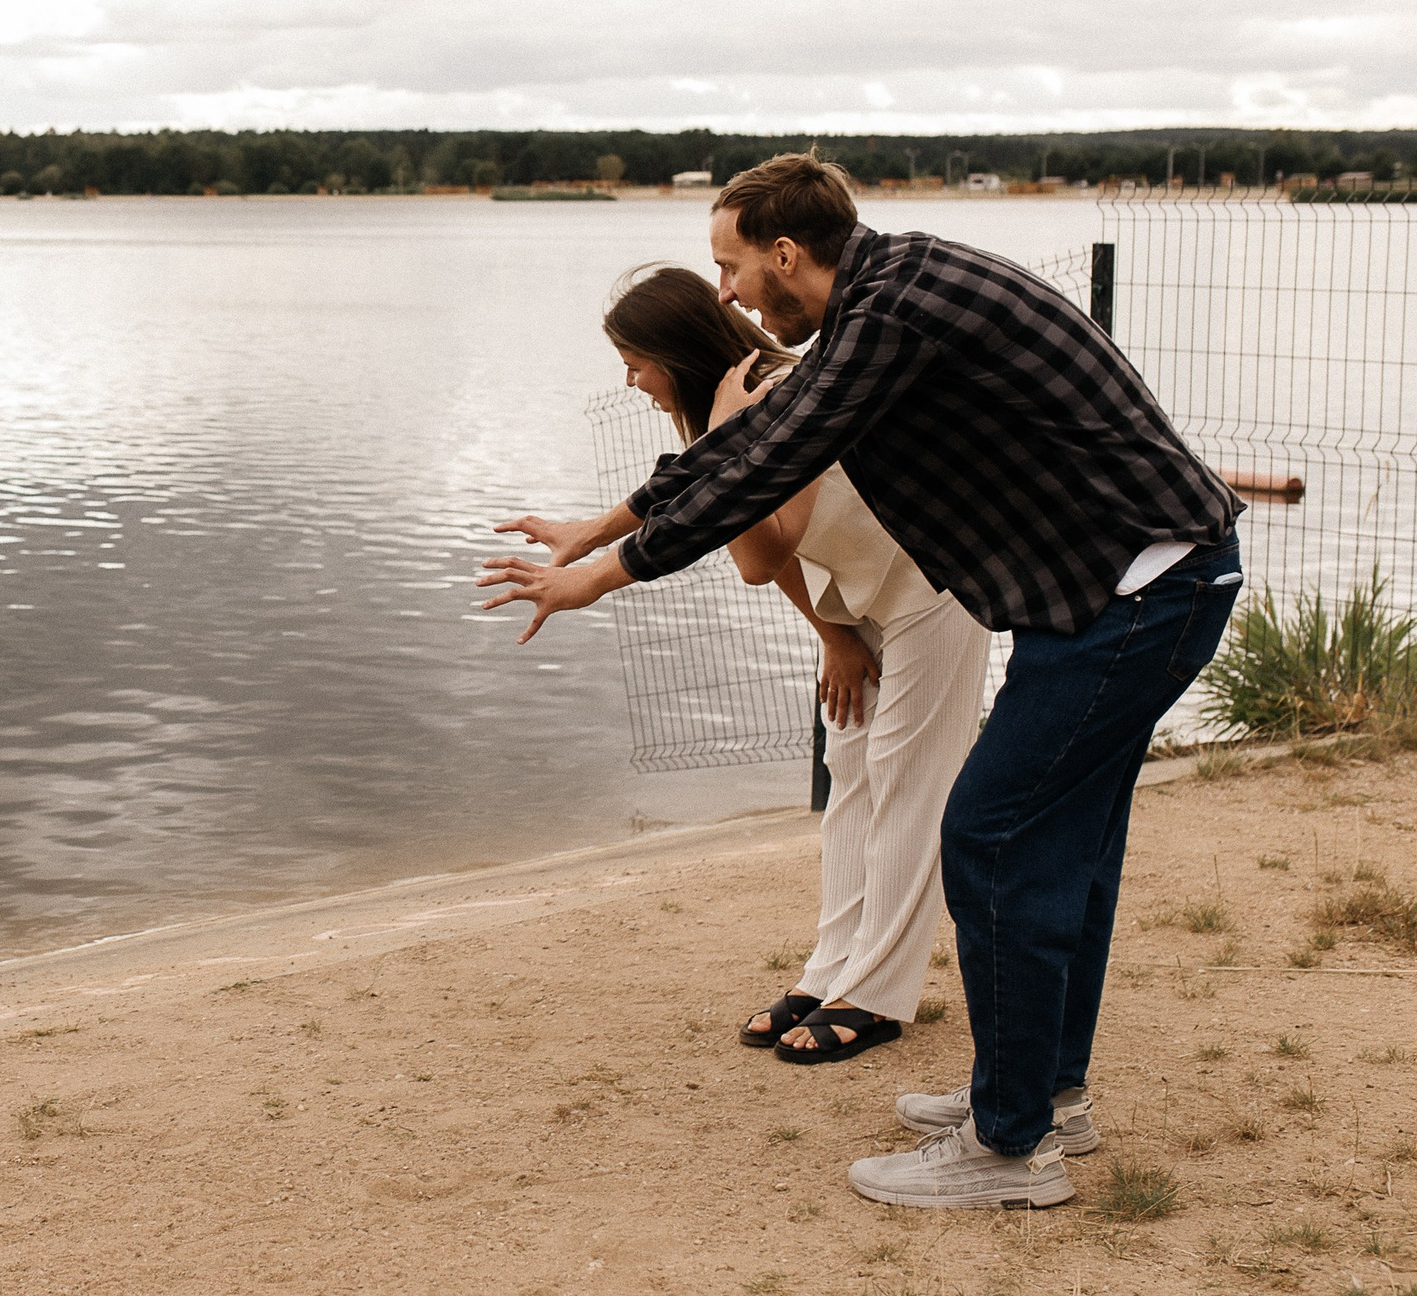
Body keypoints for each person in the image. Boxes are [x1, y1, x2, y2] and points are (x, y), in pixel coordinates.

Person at [478, 153, 1241, 1208]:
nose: (728, 295)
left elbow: (762, 465)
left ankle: (1009, 1151)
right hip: (1126, 591)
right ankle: (1043, 1098)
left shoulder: (892, 319)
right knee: (1063, 848)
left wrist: (603, 577)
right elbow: (738, 453)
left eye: (732, 267)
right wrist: (592, 531)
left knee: (989, 836)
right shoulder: (892, 292)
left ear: (786, 254)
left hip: (1140, 596)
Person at [516, 266, 991, 1063]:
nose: (630, 381)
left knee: (909, 779)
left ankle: (875, 994)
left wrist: (719, 443)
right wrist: (833, 635)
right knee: (852, 769)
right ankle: (831, 969)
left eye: (635, 361)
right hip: (865, 591)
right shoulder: (725, 408)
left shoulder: (775, 397)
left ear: (676, 350)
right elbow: (732, 523)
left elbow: (754, 553)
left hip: (938, 580)